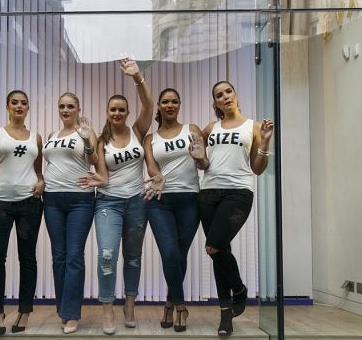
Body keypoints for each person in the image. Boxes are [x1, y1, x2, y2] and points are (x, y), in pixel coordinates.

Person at [191, 80, 274, 337]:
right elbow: (204, 165)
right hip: (208, 194)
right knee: (219, 252)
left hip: (238, 193)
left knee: (213, 246)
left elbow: (257, 169)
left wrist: (266, 142)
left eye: (228, 92)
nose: (225, 97)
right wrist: (199, 157)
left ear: (235, 95)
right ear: (215, 103)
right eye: (219, 95)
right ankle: (225, 314)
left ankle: (239, 289)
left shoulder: (254, 127)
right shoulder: (210, 128)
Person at [78, 58, 153, 335]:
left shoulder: (137, 131)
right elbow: (102, 174)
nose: (117, 113)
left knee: (133, 257)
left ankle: (129, 305)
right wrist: (95, 170)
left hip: (136, 202)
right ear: (108, 112)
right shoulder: (101, 140)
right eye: (113, 109)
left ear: (127, 111)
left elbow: (149, 106)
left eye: (122, 109)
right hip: (108, 202)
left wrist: (137, 78)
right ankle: (108, 308)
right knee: (107, 256)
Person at [0, 91, 45, 336]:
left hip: (29, 204)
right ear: (7, 107)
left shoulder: (35, 137)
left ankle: (25, 311)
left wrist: (41, 181)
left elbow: (38, 170)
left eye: (23, 103)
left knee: (28, 258)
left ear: (28, 108)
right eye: (14, 102)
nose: (19, 106)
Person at [142, 88, 208, 332]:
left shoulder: (191, 130)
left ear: (179, 105)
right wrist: (157, 176)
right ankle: (181, 305)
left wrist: (200, 158)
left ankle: (169, 303)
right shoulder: (150, 139)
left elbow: (204, 163)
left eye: (174, 102)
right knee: (169, 252)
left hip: (190, 200)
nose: (170, 105)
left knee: (179, 255)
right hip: (159, 201)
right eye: (165, 102)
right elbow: (151, 167)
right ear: (159, 106)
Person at [42, 92, 99, 334]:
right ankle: (63, 309)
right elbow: (50, 164)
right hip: (52, 199)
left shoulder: (86, 131)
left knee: (74, 255)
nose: (65, 110)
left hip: (80, 200)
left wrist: (86, 140)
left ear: (78, 109)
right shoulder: (52, 136)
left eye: (70, 106)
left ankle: (72, 313)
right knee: (59, 256)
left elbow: (95, 160)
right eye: (62, 106)